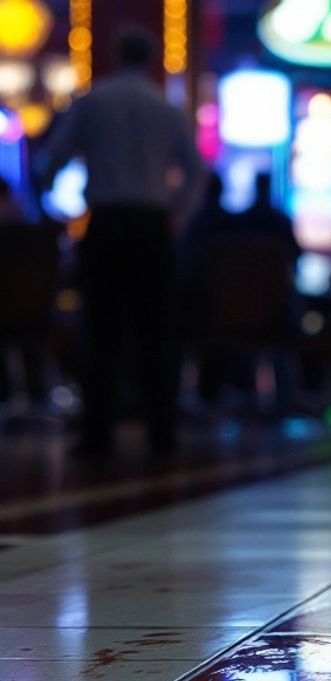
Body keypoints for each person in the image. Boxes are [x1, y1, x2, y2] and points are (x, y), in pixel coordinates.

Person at [39, 27, 205, 457]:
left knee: (100, 329)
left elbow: (51, 161)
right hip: (151, 226)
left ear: (113, 54)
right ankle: (161, 433)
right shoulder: (166, 109)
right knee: (157, 332)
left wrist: (51, 212)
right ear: (151, 58)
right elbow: (197, 173)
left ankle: (97, 436)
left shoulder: (94, 100)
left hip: (108, 223)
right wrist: (177, 217)